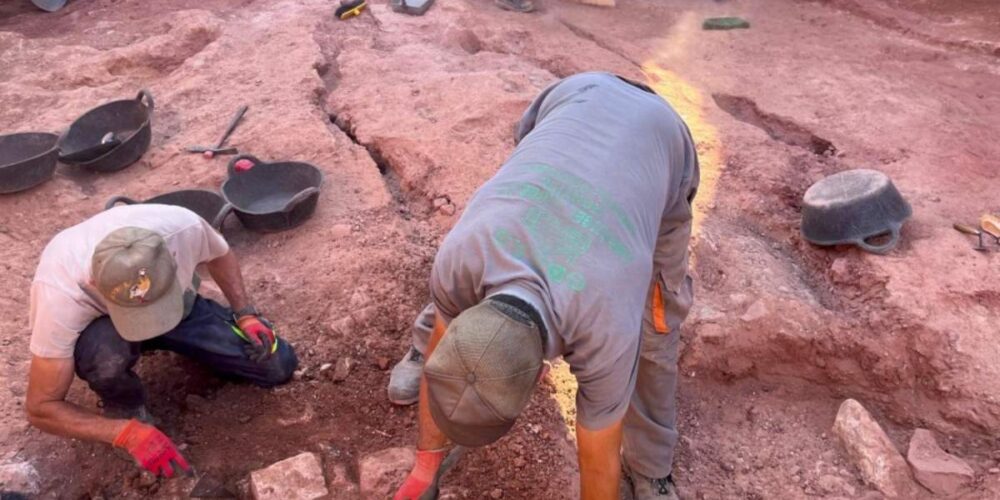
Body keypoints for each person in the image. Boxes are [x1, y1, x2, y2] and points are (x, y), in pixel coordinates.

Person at [389, 71, 700, 500]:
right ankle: (423, 353)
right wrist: (424, 470)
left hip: (660, 139)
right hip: (574, 97)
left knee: (656, 329)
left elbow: (597, 460)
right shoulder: (461, 254)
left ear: (539, 374)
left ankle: (651, 467)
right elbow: (449, 328)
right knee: (451, 294)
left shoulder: (604, 328)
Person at [24, 204, 298, 478]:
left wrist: (245, 313)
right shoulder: (59, 294)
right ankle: (126, 406)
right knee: (103, 358)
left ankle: (184, 325)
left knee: (276, 364)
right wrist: (124, 433)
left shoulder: (182, 228)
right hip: (107, 330)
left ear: (172, 258)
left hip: (180, 307)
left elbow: (220, 255)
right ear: (94, 284)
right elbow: (41, 408)